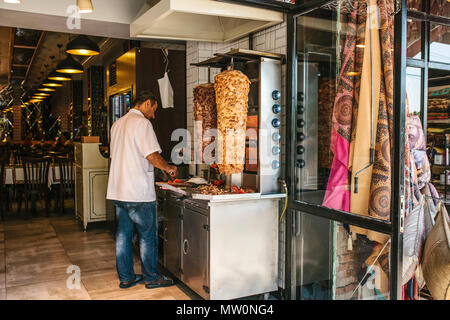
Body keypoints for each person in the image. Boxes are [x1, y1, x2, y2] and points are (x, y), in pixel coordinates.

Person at [106, 91, 177, 289]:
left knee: (123, 236)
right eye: (153, 110)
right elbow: (151, 155)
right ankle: (152, 277)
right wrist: (169, 168)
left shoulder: (117, 124)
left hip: (119, 190)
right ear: (147, 103)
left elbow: (117, 156)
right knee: (147, 236)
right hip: (138, 192)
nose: (153, 115)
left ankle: (126, 277)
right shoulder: (142, 124)